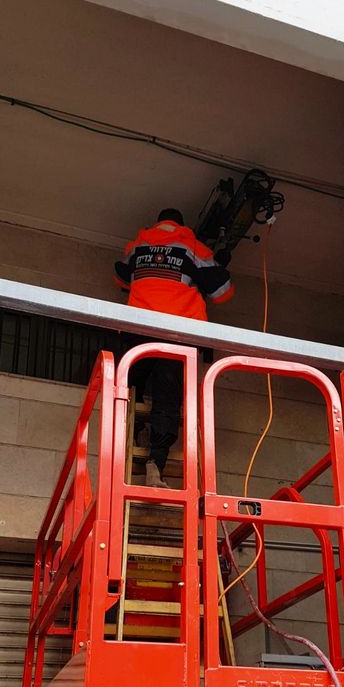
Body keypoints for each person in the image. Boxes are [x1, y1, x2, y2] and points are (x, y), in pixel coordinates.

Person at [114, 208, 234, 488]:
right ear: (182, 225)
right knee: (168, 396)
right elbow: (223, 293)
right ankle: (155, 463)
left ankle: (131, 432)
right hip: (178, 333)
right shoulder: (194, 247)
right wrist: (219, 264)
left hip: (138, 329)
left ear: (157, 223)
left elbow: (120, 278)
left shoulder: (136, 246)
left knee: (132, 384)